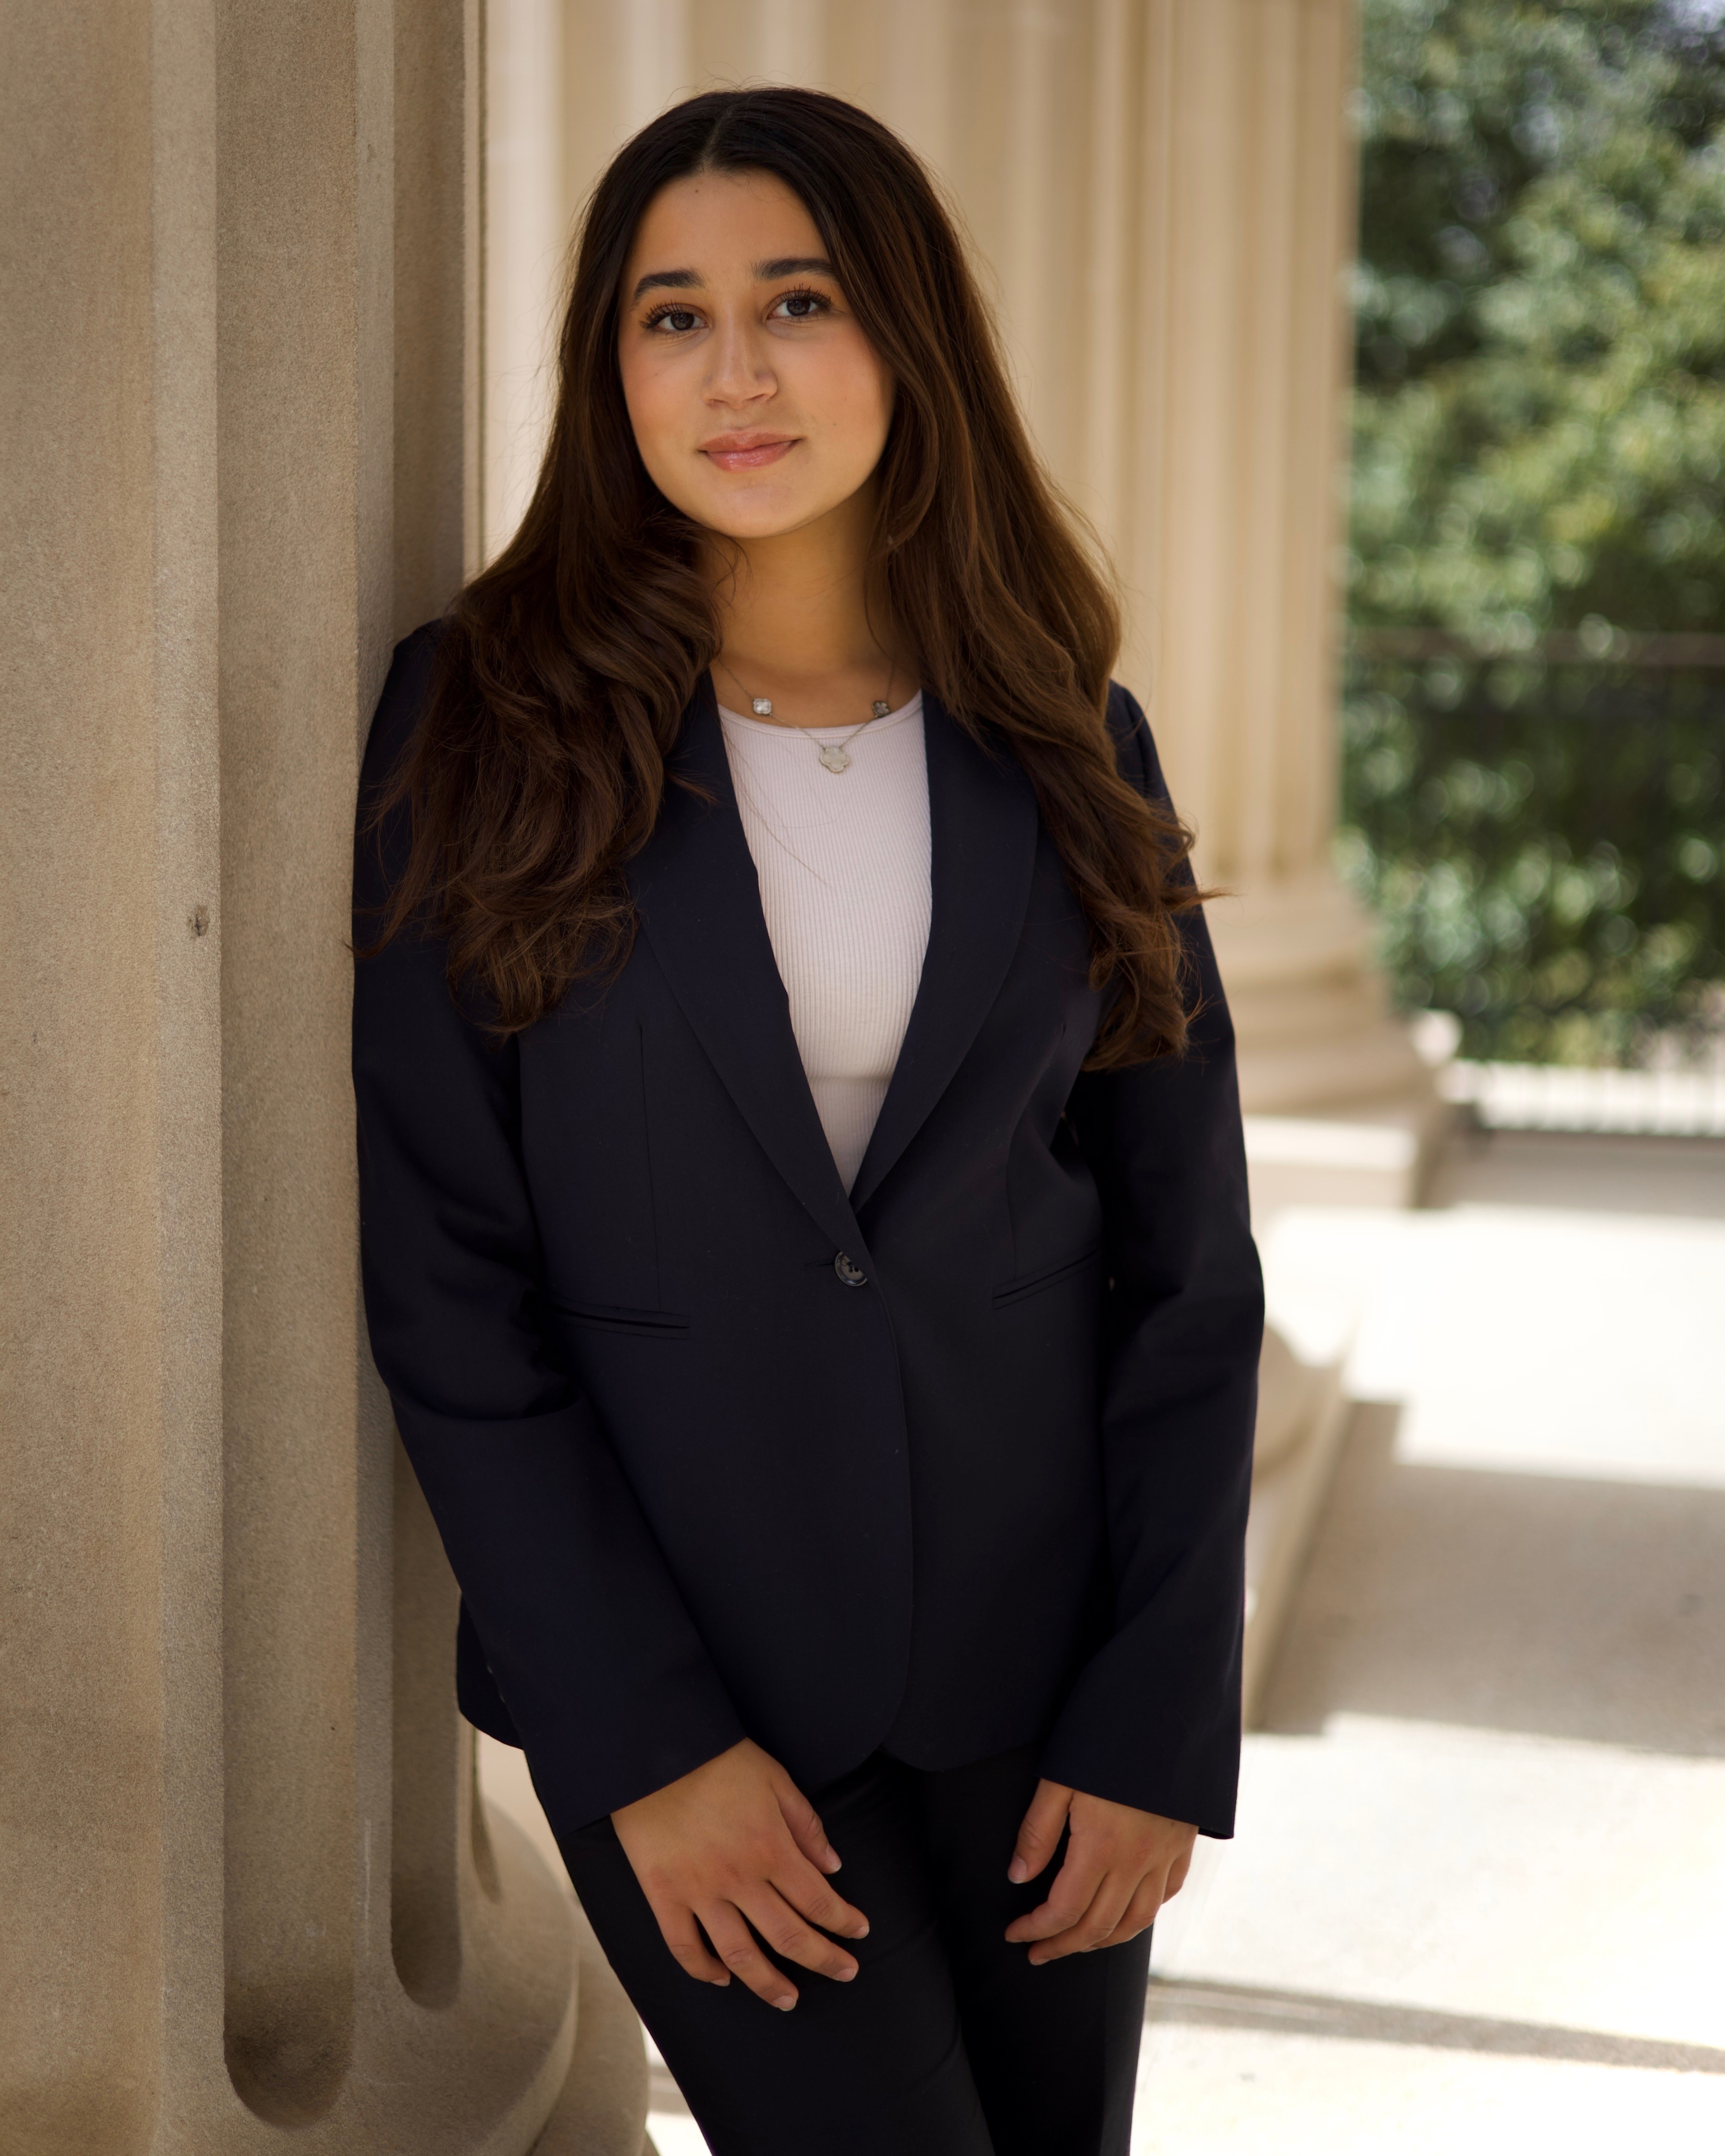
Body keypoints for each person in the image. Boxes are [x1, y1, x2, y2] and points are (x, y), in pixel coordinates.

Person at [353, 85, 1261, 2156]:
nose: (734, 370)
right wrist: (643, 1736)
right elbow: (449, 1284)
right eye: (672, 316)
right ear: (613, 367)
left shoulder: (1064, 733)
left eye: (798, 301)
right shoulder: (478, 720)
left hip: (1046, 1690)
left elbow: (1186, 1267)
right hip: (698, 1693)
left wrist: (1154, 1716)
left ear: (906, 341)